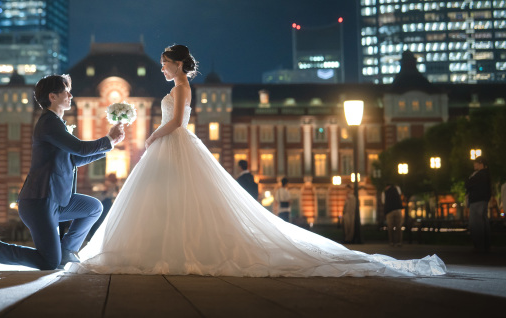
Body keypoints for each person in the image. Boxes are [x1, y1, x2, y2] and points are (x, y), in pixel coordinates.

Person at [70, 44, 445, 277]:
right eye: (164, 64)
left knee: (180, 196)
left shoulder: (182, 86)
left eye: (166, 63)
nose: (163, 68)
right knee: (170, 198)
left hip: (175, 141)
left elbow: (178, 121)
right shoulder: (175, 86)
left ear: (180, 64)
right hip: (172, 145)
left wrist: (152, 135)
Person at [0, 74, 125, 270]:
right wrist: (108, 140)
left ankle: (66, 251)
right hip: (39, 201)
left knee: (93, 207)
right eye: (66, 91)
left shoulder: (57, 124)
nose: (71, 95)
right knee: (48, 262)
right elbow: (79, 148)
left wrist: (109, 146)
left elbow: (74, 159)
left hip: (57, 200)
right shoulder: (48, 123)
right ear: (52, 97)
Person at [466, 155, 492, 253]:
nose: (474, 164)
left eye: (476, 162)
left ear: (481, 164)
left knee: (476, 223)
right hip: (482, 200)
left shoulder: (480, 174)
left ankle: (479, 245)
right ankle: (485, 245)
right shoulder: (486, 174)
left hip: (477, 201)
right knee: (483, 221)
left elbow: (468, 184)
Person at [382, 183, 404, 247]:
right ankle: (399, 242)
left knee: (390, 227)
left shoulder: (384, 192)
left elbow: (383, 201)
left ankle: (391, 242)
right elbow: (400, 195)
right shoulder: (397, 188)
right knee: (398, 227)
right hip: (398, 210)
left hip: (389, 211)